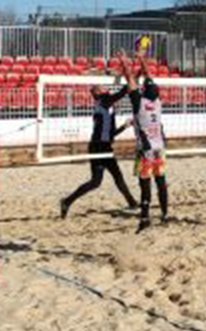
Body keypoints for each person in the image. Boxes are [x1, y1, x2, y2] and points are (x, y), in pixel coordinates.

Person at [60, 79, 137, 219]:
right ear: (98, 92)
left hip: (104, 146)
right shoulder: (103, 101)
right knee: (98, 181)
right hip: (98, 147)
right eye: (102, 87)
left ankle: (131, 202)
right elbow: (121, 93)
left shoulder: (107, 106)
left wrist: (125, 126)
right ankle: (67, 201)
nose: (105, 88)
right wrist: (131, 79)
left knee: (108, 178)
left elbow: (111, 133)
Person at [127, 53, 168, 232]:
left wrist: (124, 60)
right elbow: (148, 75)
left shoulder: (139, 102)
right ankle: (165, 214)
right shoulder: (157, 103)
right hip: (159, 148)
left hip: (145, 150)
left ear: (143, 90)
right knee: (161, 182)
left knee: (145, 184)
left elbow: (130, 78)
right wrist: (141, 58)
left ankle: (145, 217)